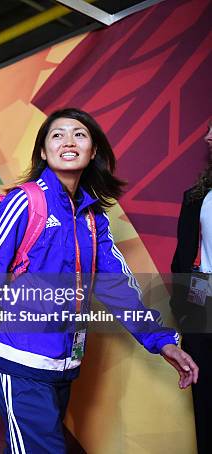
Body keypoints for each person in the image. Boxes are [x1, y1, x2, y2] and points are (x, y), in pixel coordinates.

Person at [0, 108, 199, 453]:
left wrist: (161, 340)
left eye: (79, 134)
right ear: (43, 151)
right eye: (57, 135)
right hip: (19, 360)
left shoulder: (94, 218)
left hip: (65, 364)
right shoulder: (24, 201)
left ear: (93, 150)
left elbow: (117, 289)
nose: (68, 141)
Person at [169, 119, 212, 454]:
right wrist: (184, 312)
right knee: (206, 402)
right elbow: (181, 260)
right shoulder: (196, 197)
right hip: (203, 302)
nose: (207, 136)